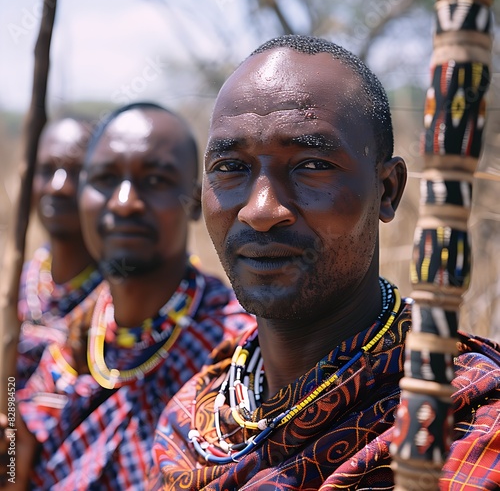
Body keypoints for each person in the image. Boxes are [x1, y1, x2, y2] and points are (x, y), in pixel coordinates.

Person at [149, 36, 500, 490]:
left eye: (312, 164)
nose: (261, 209)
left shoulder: (462, 421)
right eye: (230, 166)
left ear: (387, 191)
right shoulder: (194, 419)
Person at [15, 102, 255, 490]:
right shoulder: (78, 333)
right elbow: (22, 447)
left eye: (156, 180)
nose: (124, 202)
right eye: (105, 179)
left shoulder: (234, 348)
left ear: (194, 202)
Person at [17, 117, 103, 388]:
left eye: (77, 171)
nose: (58, 186)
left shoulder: (118, 300)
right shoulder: (19, 283)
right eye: (46, 170)